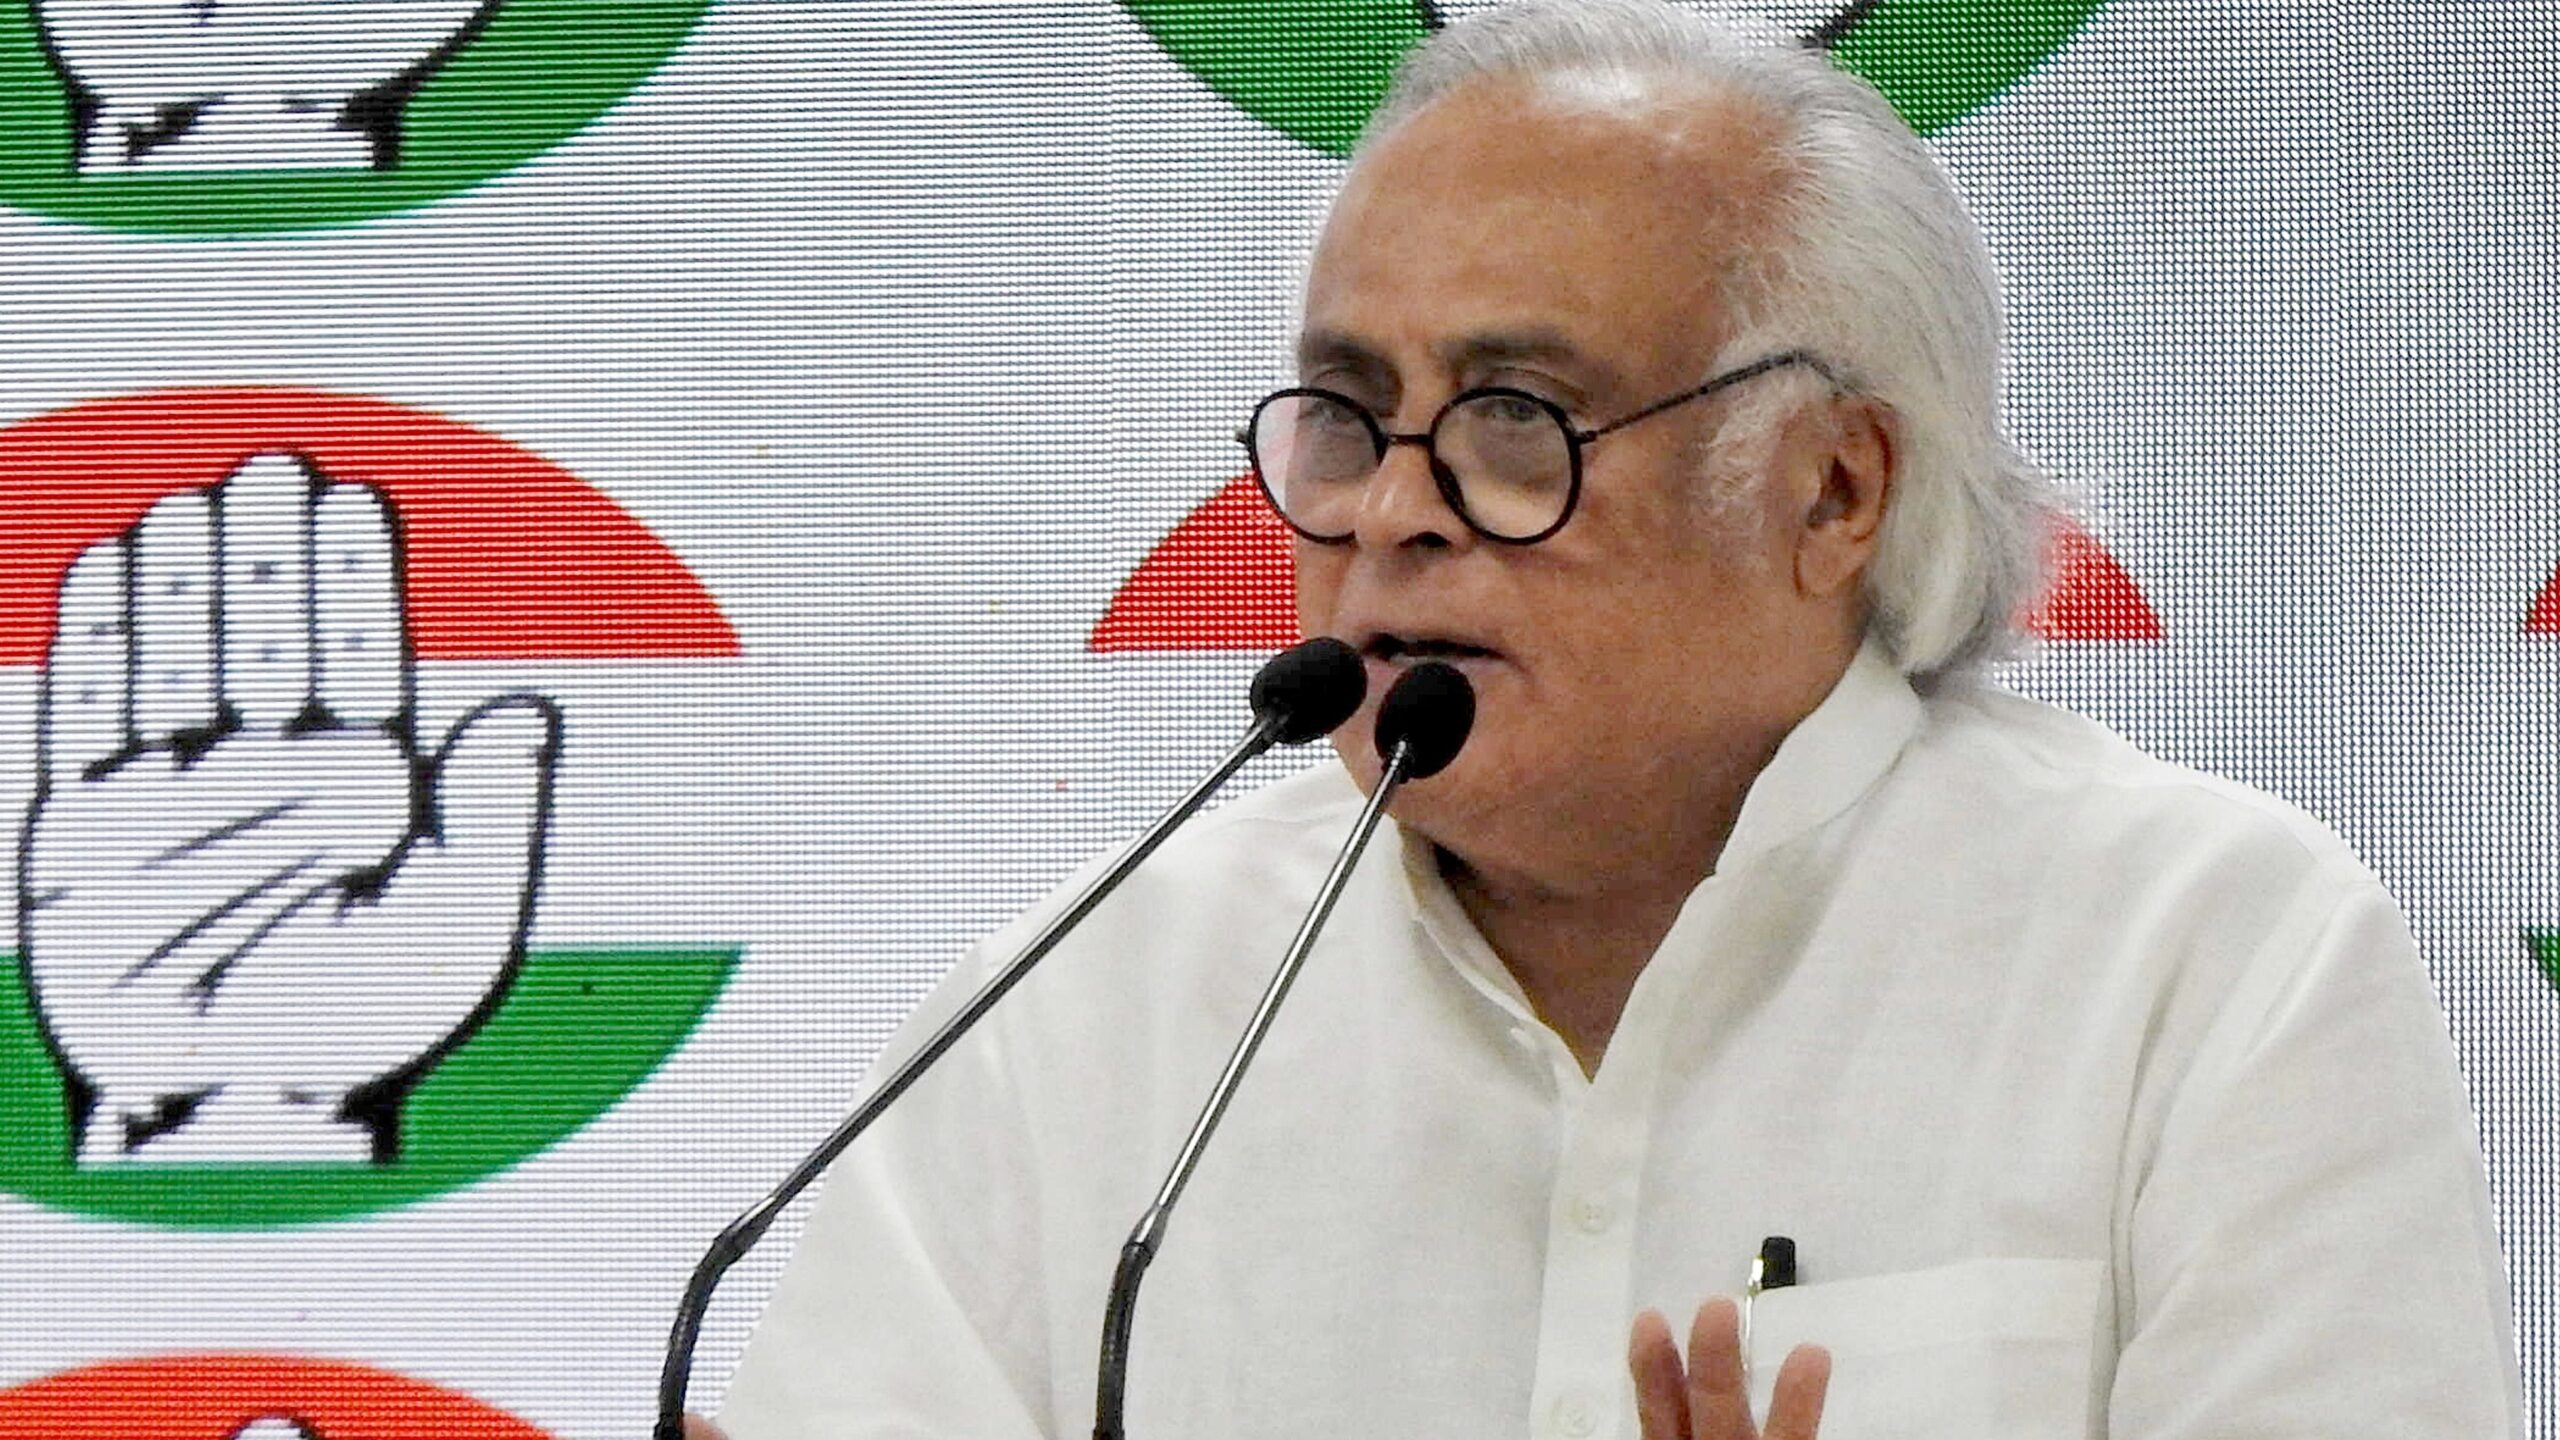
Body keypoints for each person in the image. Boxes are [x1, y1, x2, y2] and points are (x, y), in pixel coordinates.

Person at [700, 3, 2523, 1436]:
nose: (1393, 511)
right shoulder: (1087, 1006)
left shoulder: (2209, 959)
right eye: (1348, 416)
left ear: (1831, 490)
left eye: (1517, 422)